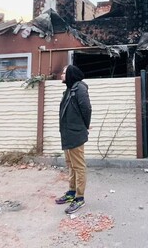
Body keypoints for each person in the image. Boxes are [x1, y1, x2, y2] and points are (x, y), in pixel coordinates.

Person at [55, 65, 92, 214]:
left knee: (78, 166)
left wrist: (85, 126)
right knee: (70, 164)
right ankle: (71, 192)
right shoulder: (70, 90)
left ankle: (79, 198)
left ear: (70, 74)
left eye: (64, 73)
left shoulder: (80, 88)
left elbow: (86, 109)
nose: (61, 75)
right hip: (67, 133)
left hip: (75, 133)